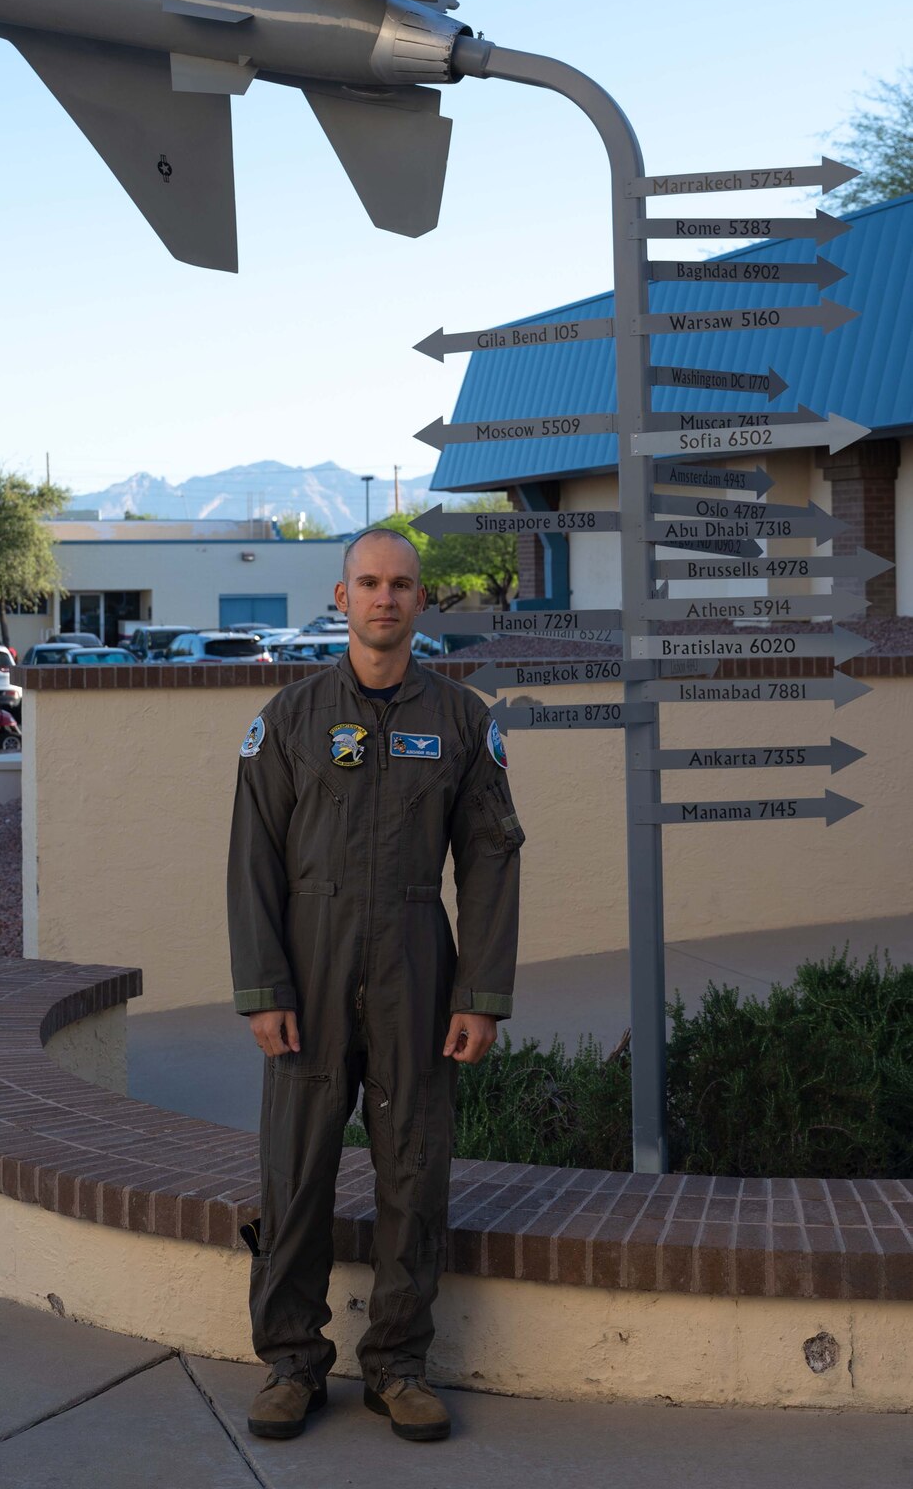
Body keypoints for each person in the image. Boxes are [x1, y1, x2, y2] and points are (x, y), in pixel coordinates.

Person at [226, 527, 523, 1443]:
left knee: (413, 1165)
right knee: (296, 1166)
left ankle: (396, 1365)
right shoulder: (289, 718)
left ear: (419, 601)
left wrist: (479, 994)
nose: (384, 598)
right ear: (340, 596)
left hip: (414, 961)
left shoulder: (466, 720)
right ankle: (290, 1362)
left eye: (400, 584)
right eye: (368, 583)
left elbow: (489, 860)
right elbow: (252, 863)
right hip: (308, 967)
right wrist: (263, 985)